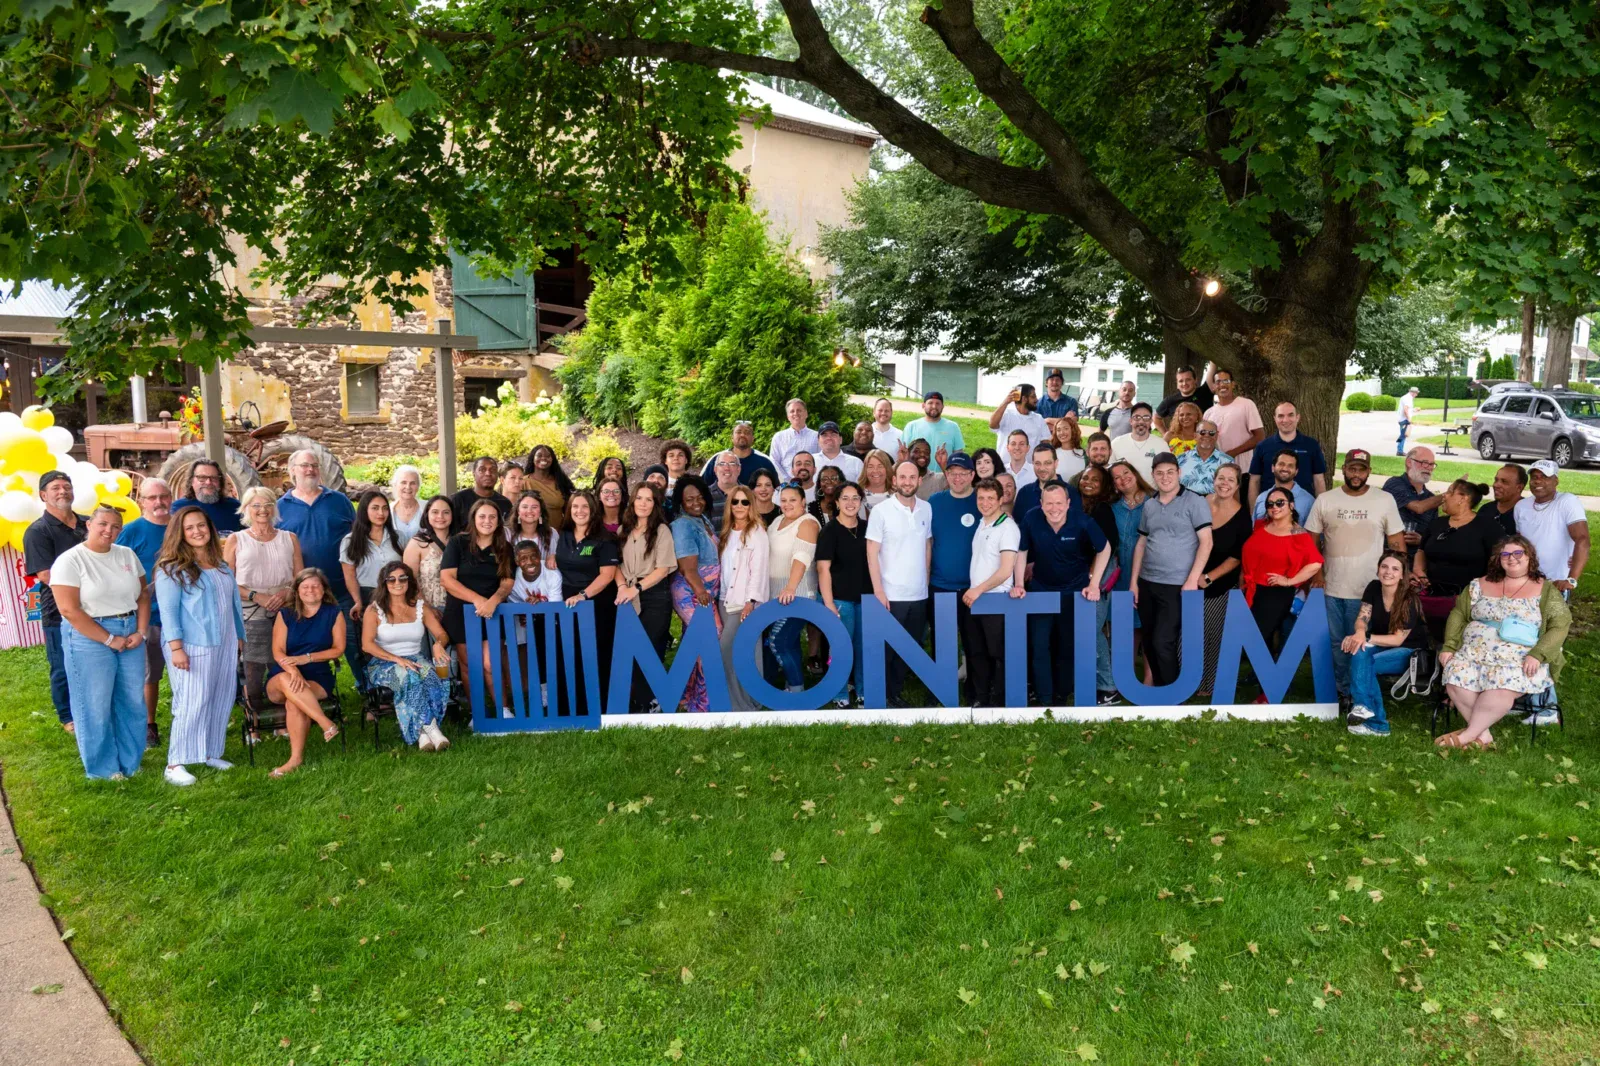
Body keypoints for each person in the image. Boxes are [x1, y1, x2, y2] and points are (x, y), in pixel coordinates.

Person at [1438, 534, 1570, 749]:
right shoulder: (1478, 585)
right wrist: (1449, 646)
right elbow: (1458, 615)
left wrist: (1537, 654)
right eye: (1505, 554)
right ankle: (1484, 736)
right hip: (1472, 652)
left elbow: (1560, 625)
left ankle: (1465, 737)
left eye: (1518, 553)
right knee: (1454, 679)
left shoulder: (1545, 590)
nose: (1512, 558)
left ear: (1530, 557)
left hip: (1519, 656)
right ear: (1498, 559)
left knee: (1501, 687)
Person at [51, 505, 150, 780]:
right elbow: (69, 610)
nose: (109, 530)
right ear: (89, 525)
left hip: (130, 631)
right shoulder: (70, 560)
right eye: (103, 524)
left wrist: (140, 631)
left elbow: (142, 594)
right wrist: (108, 639)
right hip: (90, 636)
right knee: (94, 703)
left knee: (132, 700)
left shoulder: (126, 554)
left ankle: (131, 762)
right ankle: (103, 769)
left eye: (116, 526)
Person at [1304, 449, 1407, 713]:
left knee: (1360, 644)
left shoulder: (1384, 500)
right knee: (1338, 644)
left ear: (1369, 471)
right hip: (1331, 587)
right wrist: (1316, 574)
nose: (1356, 474)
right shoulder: (1326, 500)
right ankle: (1344, 693)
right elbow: (1311, 541)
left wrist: (1398, 581)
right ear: (1343, 469)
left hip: (1369, 590)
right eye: (1352, 468)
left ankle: (1360, 693)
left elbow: (1396, 542)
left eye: (1361, 469)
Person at [155, 506, 246, 786]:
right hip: (191, 644)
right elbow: (168, 612)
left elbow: (234, 604)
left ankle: (209, 751)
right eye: (190, 528)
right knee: (192, 701)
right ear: (180, 534)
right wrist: (176, 648)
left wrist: (239, 636)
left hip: (225, 641)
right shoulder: (172, 569)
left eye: (201, 525)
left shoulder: (220, 566)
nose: (197, 531)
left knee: (220, 696)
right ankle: (175, 763)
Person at [1009, 481, 1110, 705]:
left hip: (1073, 592)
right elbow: (1022, 550)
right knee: (1039, 644)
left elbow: (1105, 549)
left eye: (1059, 503)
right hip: (1042, 590)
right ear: (1041, 504)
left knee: (1067, 645)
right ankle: (1044, 697)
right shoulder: (1031, 518)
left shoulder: (1082, 520)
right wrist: (1018, 584)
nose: (1054, 508)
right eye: (1049, 503)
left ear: (1068, 503)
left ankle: (1062, 694)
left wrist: (1094, 584)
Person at [1130, 454, 1213, 686]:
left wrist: (1192, 579)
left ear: (1179, 473)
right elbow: (1141, 543)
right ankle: (1158, 689)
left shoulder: (1195, 501)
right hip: (1147, 582)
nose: (1164, 477)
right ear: (1153, 475)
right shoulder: (1150, 505)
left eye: (1169, 472)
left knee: (1162, 641)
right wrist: (1133, 583)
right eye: (1159, 473)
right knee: (1149, 640)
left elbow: (1207, 542)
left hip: (1176, 585)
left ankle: (1172, 698)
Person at [276, 448, 357, 682]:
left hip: (341, 588)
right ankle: (304, 686)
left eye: (314, 465)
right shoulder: (281, 507)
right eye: (304, 465)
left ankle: (367, 691)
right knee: (304, 644)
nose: (310, 470)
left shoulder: (339, 501)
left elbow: (357, 538)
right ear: (292, 471)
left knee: (352, 643)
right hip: (304, 594)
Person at [224, 486, 302, 725]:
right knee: (252, 667)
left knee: (283, 663)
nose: (262, 510)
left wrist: (287, 592)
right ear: (246, 509)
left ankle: (282, 719)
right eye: (256, 505)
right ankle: (254, 721)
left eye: (267, 504)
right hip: (251, 612)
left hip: (285, 610)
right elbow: (227, 582)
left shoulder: (289, 538)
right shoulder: (236, 539)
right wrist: (256, 595)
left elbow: (301, 577)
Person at [362, 561, 452, 750]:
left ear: (410, 582)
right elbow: (367, 645)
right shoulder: (374, 610)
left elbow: (442, 634)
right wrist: (397, 659)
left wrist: (438, 644)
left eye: (403, 578)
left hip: (414, 658)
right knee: (409, 678)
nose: (398, 583)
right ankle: (430, 729)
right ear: (384, 583)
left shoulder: (420, 607)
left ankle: (422, 735)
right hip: (382, 664)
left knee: (432, 677)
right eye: (391, 579)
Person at [265, 568, 345, 778]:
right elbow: (278, 651)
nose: (311, 590)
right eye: (305, 586)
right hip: (282, 673)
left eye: (316, 586)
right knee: (286, 681)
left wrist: (305, 659)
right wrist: (294, 670)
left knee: (294, 702)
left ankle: (295, 759)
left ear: (324, 589)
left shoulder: (333, 613)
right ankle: (324, 722)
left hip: (317, 674)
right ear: (297, 590)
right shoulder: (286, 614)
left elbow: (338, 649)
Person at [866, 462, 934, 703]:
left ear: (919, 480)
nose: (907, 481)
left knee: (910, 648)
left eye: (912, 477)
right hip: (890, 594)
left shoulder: (926, 509)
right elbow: (871, 551)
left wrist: (925, 581)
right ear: (894, 480)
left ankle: (894, 691)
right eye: (902, 477)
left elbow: (927, 545)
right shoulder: (881, 511)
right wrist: (878, 590)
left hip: (918, 593)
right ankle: (883, 695)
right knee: (886, 650)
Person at [23, 470, 86, 732]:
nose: (63, 491)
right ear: (43, 495)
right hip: (58, 611)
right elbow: (47, 575)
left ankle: (89, 706)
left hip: (96, 608)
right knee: (62, 665)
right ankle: (67, 716)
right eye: (56, 488)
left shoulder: (89, 523)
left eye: (67, 486)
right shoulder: (38, 531)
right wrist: (92, 586)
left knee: (90, 662)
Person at [1342, 550, 1428, 737]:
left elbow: (1398, 639)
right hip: (1382, 643)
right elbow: (1362, 617)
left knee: (1367, 662)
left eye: (1395, 569)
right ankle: (1365, 709)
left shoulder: (1409, 599)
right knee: (1360, 651)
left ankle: (1376, 721)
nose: (1388, 572)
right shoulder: (1374, 587)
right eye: (1384, 566)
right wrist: (1359, 632)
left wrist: (1366, 638)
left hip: (1410, 651)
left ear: (1402, 574)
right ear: (1378, 569)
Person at [116, 476, 172, 746]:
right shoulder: (132, 531)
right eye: (152, 497)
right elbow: (119, 570)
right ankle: (150, 724)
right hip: (150, 616)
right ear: (142, 502)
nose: (159, 502)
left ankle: (186, 717)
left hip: (183, 615)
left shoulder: (181, 527)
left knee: (186, 669)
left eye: (164, 496)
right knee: (150, 674)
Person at [553, 490, 620, 712]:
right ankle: (568, 707)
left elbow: (607, 575)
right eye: (575, 507)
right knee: (568, 654)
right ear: (568, 510)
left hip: (596, 603)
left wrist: (583, 596)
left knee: (596, 654)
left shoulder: (605, 539)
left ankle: (598, 707)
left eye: (585, 507)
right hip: (566, 604)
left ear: (593, 511)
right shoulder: (561, 536)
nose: (579, 511)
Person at [1239, 486, 1323, 653]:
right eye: (1270, 504)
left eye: (1279, 503)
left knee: (1259, 636)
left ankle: (1263, 674)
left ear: (1291, 505)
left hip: (1276, 592)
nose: (1274, 507)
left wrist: (1289, 581)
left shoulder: (1297, 532)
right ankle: (1261, 675)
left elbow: (1315, 563)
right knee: (1259, 637)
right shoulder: (1261, 525)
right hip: (1253, 588)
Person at [439, 498, 515, 683]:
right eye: (482, 516)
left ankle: (503, 710)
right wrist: (477, 600)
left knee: (491, 663)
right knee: (469, 665)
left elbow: (507, 582)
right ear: (473, 518)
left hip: (493, 612)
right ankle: (476, 711)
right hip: (461, 612)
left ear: (498, 521)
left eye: (492, 517)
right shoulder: (458, 542)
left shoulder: (505, 548)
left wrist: (492, 601)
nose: (487, 521)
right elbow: (447, 579)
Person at [616, 484, 677, 712]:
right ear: (632, 501)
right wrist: (623, 586)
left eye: (649, 499)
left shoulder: (661, 531)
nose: (643, 503)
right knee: (630, 649)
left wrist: (637, 588)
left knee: (648, 649)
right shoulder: (624, 529)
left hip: (654, 595)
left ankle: (654, 701)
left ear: (655, 504)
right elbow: (616, 565)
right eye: (639, 498)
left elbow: (663, 569)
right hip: (627, 594)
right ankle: (639, 699)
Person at [1195, 463, 1251, 699]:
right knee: (1186, 634)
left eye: (1230, 480)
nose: (1224, 484)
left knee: (1212, 634)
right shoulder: (1199, 502)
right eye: (1221, 478)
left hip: (1218, 584)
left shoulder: (1241, 517)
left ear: (1237, 485)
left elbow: (1237, 556)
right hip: (1189, 580)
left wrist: (1208, 577)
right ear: (1213, 479)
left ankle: (1208, 683)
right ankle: (1189, 678)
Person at [668, 475, 722, 713]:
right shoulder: (682, 525)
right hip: (691, 590)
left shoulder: (702, 520)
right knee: (709, 637)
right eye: (689, 499)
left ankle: (684, 694)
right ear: (681, 501)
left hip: (705, 591)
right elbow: (687, 566)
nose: (696, 502)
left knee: (695, 641)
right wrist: (701, 590)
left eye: (700, 497)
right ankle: (703, 702)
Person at [963, 478, 1019, 706]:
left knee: (998, 654)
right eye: (981, 498)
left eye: (990, 498)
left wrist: (978, 590)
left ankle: (1000, 701)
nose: (985, 503)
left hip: (996, 599)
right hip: (978, 599)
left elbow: (1006, 570)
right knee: (978, 652)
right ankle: (981, 698)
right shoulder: (982, 523)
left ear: (1001, 499)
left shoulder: (1008, 528)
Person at [927, 452, 980, 683]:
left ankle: (973, 687)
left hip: (974, 587)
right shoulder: (935, 502)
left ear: (972, 475)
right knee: (942, 640)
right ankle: (942, 685)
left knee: (974, 640)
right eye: (952, 473)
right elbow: (928, 541)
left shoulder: (982, 501)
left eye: (963, 474)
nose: (957, 478)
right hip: (940, 584)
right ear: (946, 474)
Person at [816, 481, 869, 708]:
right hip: (839, 600)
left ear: (861, 501)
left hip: (866, 599)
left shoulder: (868, 528)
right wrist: (828, 603)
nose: (850, 503)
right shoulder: (829, 531)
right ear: (836, 502)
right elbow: (822, 568)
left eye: (855, 498)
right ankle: (839, 694)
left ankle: (864, 691)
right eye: (845, 498)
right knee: (841, 648)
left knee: (863, 648)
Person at [717, 485, 769, 714]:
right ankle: (731, 701)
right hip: (724, 599)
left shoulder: (757, 531)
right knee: (737, 650)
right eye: (735, 502)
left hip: (744, 601)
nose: (739, 506)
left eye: (744, 502)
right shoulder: (727, 531)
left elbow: (759, 569)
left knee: (730, 649)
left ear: (751, 505)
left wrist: (751, 600)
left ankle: (747, 702)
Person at [767, 483, 821, 691]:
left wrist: (790, 588)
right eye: (784, 500)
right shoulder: (778, 521)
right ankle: (791, 684)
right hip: (776, 595)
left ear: (803, 501)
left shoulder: (807, 523)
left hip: (796, 595)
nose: (787, 504)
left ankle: (797, 690)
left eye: (793, 500)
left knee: (777, 641)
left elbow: (802, 556)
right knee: (789, 643)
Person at [1076, 464, 1122, 703]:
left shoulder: (1102, 509)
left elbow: (1108, 545)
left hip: (1100, 571)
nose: (1089, 482)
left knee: (1091, 628)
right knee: (1088, 628)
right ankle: (1096, 682)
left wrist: (1094, 577)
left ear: (1104, 486)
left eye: (1095, 479)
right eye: (1085, 477)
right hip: (1085, 572)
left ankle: (1108, 686)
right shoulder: (1077, 506)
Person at [340, 490, 404, 658]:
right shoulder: (350, 541)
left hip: (397, 595)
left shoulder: (399, 538)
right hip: (368, 596)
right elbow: (350, 575)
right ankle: (372, 683)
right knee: (372, 645)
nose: (381, 513)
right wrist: (357, 601)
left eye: (384, 508)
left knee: (397, 642)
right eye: (375, 508)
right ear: (364, 511)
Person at [1513, 460, 1589, 595]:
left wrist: (1571, 579)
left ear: (1556, 481)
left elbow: (1583, 539)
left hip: (1556, 583)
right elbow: (1519, 542)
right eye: (1534, 477)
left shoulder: (1567, 501)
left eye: (1545, 477)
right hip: (1525, 580)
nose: (1538, 481)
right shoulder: (1521, 506)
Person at [1413, 480, 1500, 599]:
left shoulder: (1487, 526)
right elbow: (1421, 550)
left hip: (1469, 597)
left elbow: (1497, 560)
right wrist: (1418, 570)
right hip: (1431, 594)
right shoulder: (1437, 523)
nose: (1444, 495)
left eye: (1450, 492)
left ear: (1463, 498)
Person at [1247, 401, 1327, 504]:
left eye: (1290, 415)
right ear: (1275, 419)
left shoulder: (1311, 445)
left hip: (1304, 507)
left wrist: (1321, 510)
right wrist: (1254, 513)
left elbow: (1319, 480)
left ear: (1297, 417)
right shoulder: (1262, 446)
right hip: (1270, 507)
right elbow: (1254, 481)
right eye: (1280, 416)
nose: (1285, 420)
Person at [1383, 446, 1444, 554]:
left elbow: (1432, 534)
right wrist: (1450, 494)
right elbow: (1418, 507)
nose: (1429, 468)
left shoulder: (1431, 498)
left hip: (1417, 559)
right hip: (1390, 558)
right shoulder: (1394, 484)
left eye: (1432, 464)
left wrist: (1421, 540)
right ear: (1409, 462)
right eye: (1425, 462)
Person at [1203, 369, 1265, 472]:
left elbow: (1260, 436)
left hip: (1242, 471)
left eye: (1226, 381)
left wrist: (1232, 453)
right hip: (1216, 471)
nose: (1222, 385)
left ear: (1233, 384)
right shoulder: (1208, 413)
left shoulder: (1246, 404)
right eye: (1218, 382)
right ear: (1214, 386)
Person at [403, 496, 455, 616]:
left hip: (457, 606)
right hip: (428, 608)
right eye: (435, 512)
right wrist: (427, 609)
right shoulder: (417, 543)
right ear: (427, 515)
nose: (440, 517)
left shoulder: (460, 541)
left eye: (446, 512)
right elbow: (410, 581)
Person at [171, 458, 242, 534]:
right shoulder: (178, 508)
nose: (208, 482)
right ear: (191, 481)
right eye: (202, 478)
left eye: (214, 478)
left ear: (220, 482)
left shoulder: (235, 507)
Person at [698, 420, 778, 486]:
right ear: (732, 438)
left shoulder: (765, 462)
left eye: (747, 432)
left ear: (753, 438)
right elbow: (702, 487)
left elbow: (777, 489)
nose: (742, 435)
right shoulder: (717, 459)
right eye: (738, 432)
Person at [902, 391, 964, 471]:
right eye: (930, 403)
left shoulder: (953, 427)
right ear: (923, 405)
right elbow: (904, 455)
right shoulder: (911, 426)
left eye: (938, 403)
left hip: (944, 478)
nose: (934, 406)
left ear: (942, 407)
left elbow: (958, 456)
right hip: (916, 477)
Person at [450, 457, 512, 535]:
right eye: (482, 470)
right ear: (474, 473)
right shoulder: (458, 500)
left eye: (492, 470)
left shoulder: (505, 503)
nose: (488, 473)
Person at [1250, 451, 1315, 520]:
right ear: (1273, 468)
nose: (1285, 468)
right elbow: (1254, 528)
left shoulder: (1308, 501)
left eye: (1290, 466)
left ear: (1296, 471)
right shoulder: (1261, 498)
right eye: (1281, 464)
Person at [1109, 402, 1161, 485]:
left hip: (1153, 495)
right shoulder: (1116, 444)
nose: (1141, 421)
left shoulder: (1161, 445)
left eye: (1146, 417)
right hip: (1123, 495)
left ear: (1151, 421)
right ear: (1130, 421)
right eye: (1136, 417)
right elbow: (1110, 472)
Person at [1153, 365, 1215, 435]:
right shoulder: (1170, 401)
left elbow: (1213, 367)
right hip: (1179, 443)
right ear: (1177, 384)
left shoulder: (1205, 391)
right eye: (1181, 381)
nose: (1184, 383)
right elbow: (1156, 417)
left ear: (1195, 380)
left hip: (1204, 440)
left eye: (1188, 379)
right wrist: (1165, 434)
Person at [523, 443, 575, 526]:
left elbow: (568, 511)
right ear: (533, 458)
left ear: (552, 459)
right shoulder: (524, 482)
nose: (543, 458)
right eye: (539, 455)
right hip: (531, 533)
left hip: (557, 533)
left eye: (548, 456)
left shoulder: (560, 482)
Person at [769, 398, 821, 481]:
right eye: (792, 411)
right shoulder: (779, 437)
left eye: (799, 410)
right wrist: (788, 480)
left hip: (811, 484)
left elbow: (821, 461)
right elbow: (774, 462)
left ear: (806, 414)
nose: (795, 413)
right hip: (787, 486)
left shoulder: (817, 437)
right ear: (788, 416)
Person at [989, 384, 1049, 452]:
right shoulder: (1007, 415)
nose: (1036, 400)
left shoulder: (1039, 418)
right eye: (1033, 396)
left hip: (1030, 463)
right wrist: (1005, 402)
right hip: (1005, 462)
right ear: (1024, 399)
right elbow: (992, 425)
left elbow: (1045, 442)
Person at [1012, 442, 1065, 520]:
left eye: (1047, 463)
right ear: (1033, 464)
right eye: (1038, 463)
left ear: (1056, 463)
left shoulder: (1071, 493)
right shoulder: (1024, 493)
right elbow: (1018, 525)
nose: (1042, 468)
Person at [1177, 420, 1227, 495]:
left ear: (1216, 436)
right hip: (1184, 505)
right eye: (1202, 432)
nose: (1207, 435)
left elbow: (1233, 493)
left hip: (1215, 505)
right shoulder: (1180, 459)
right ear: (1195, 436)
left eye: (1211, 433)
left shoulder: (1227, 462)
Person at [507, 491, 558, 556]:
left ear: (540, 512)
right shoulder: (508, 533)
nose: (529, 511)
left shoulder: (552, 533)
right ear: (518, 511)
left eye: (534, 507)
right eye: (525, 507)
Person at [1480, 463, 1524, 537]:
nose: (1496, 485)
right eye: (1496, 480)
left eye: (1504, 482)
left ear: (1519, 487)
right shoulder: (1485, 510)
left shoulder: (1527, 513)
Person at [705, 450, 744, 528]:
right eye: (722, 464)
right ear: (715, 470)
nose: (726, 468)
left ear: (739, 469)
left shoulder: (749, 495)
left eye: (732, 464)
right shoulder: (704, 496)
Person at [388, 465, 425, 547]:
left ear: (418, 486)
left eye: (413, 483)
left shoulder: (428, 508)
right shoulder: (388, 511)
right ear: (395, 485)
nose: (408, 487)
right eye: (403, 482)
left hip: (423, 558)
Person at [1050, 416, 1087, 481]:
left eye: (1066, 428)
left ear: (1073, 430)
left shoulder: (1084, 454)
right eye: (1058, 430)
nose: (1062, 433)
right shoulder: (1051, 453)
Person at [1397, 386, 1420, 455]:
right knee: (1404, 435)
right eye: (1416, 393)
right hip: (1404, 419)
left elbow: (1408, 409)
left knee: (1402, 434)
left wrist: (1414, 409)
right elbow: (1405, 410)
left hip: (1401, 418)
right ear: (1413, 393)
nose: (1417, 395)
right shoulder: (1408, 398)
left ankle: (1398, 447)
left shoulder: (1406, 397)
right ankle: (1400, 451)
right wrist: (1409, 419)